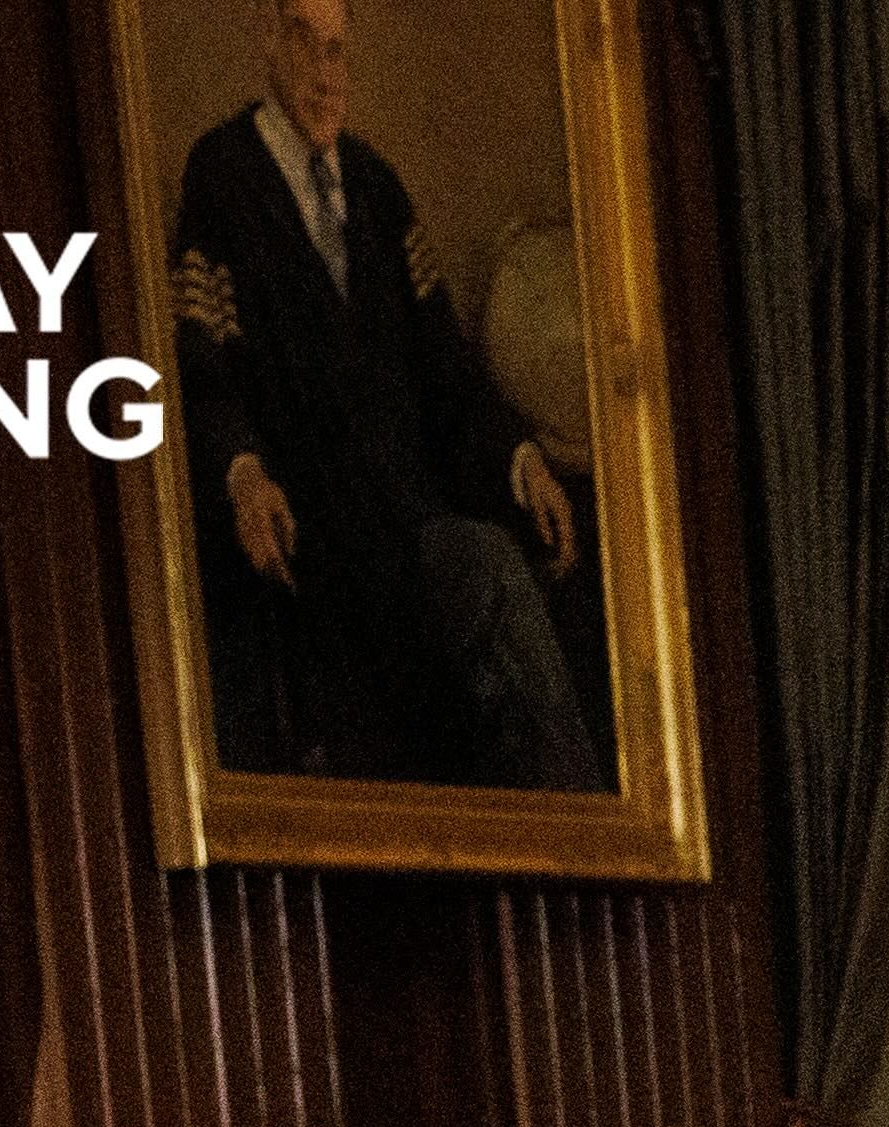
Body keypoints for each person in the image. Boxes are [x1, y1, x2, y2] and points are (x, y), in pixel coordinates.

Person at [171, 0, 612, 790]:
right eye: (308, 46)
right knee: (479, 580)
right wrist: (243, 473)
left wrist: (522, 461)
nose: (326, 75)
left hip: (407, 527)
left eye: (340, 53)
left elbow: (444, 362)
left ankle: (576, 827)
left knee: (525, 575)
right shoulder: (225, 176)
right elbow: (201, 361)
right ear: (270, 41)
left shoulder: (375, 187)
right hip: (311, 543)